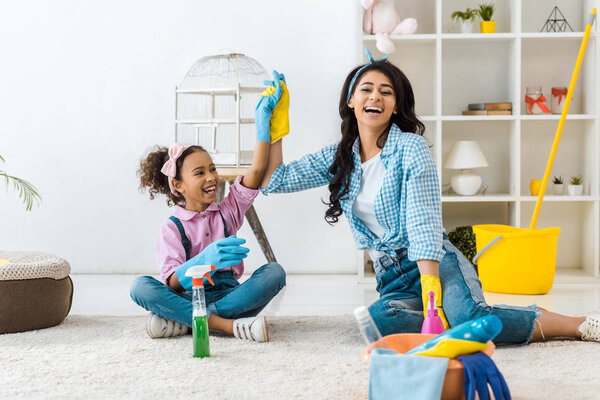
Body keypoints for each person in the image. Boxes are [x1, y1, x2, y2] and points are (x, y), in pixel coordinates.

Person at [259, 50, 600, 345]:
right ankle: (461, 322)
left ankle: (574, 324)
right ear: (351, 101)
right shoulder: (340, 156)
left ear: (396, 106)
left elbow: (423, 222)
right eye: (366, 89)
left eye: (386, 92)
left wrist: (431, 286)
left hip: (435, 261)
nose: (375, 97)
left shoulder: (411, 148)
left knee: (468, 320)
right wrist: (275, 126)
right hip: (391, 276)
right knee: (376, 326)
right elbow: (275, 181)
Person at [130, 73, 288, 341]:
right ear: (178, 185)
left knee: (275, 273)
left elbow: (258, 169)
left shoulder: (228, 213)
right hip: (188, 294)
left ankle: (188, 321)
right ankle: (227, 325)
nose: (211, 177)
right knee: (140, 287)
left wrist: (265, 122)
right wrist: (204, 261)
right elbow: (171, 283)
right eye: (200, 173)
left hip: (229, 294)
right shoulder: (172, 228)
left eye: (212, 169)